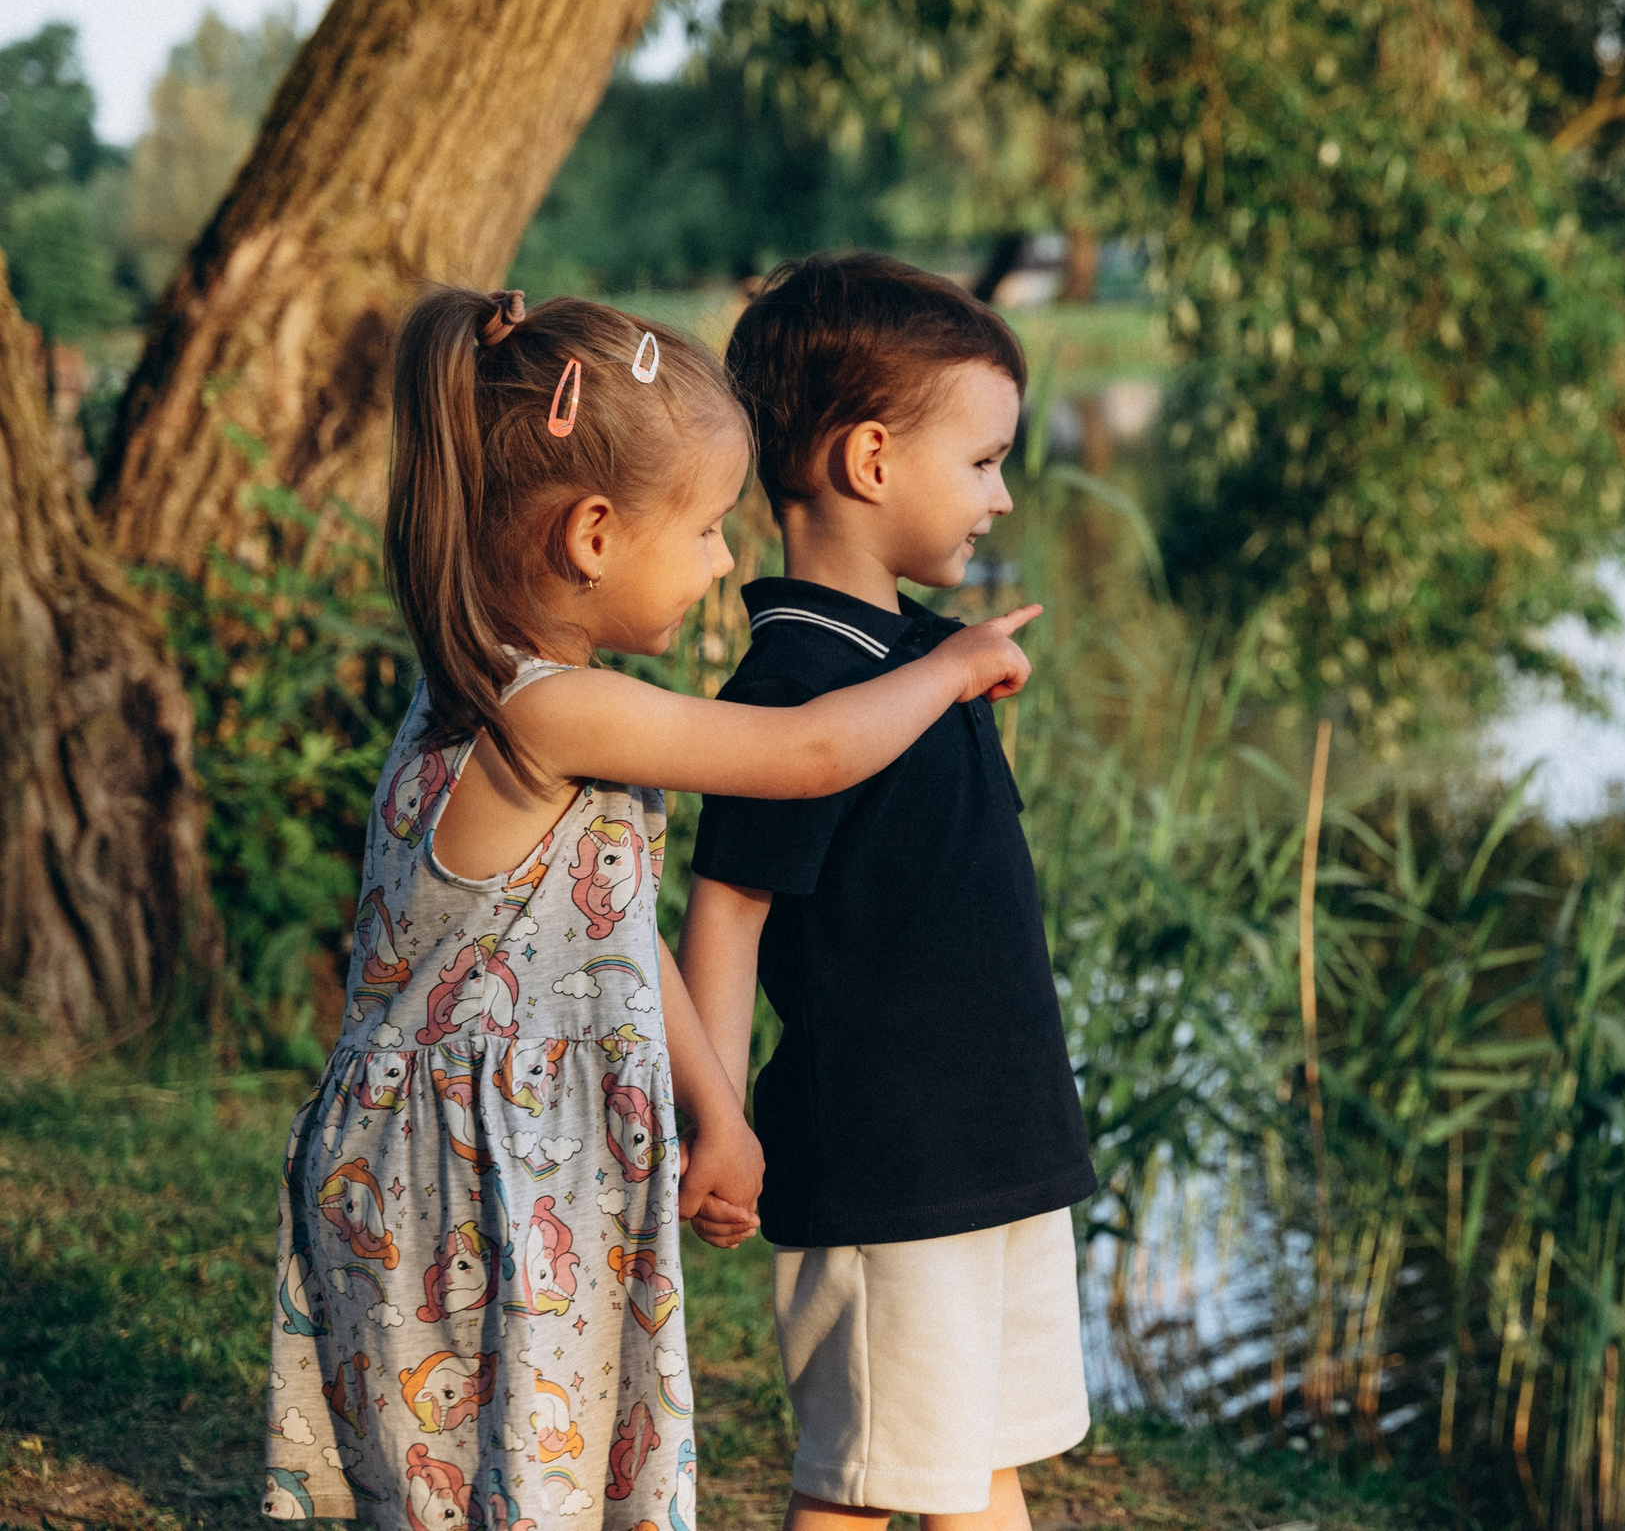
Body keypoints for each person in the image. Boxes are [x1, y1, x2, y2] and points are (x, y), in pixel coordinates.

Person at [261, 286, 1039, 1531]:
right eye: (709, 528)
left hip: (507, 1158)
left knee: (532, 1462)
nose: (728, 560)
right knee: (485, 1472)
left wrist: (716, 1108)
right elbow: (805, 754)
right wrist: (943, 668)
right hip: (461, 1180)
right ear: (593, 534)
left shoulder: (518, 698)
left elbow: (612, 930)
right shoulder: (545, 709)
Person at [676, 254, 1097, 1531]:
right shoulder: (798, 684)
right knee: (863, 1487)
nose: (1001, 494)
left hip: (994, 1149)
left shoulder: (926, 652)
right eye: (982, 462)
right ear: (869, 459)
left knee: (982, 1462)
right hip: (886, 1163)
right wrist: (719, 1119)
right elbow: (729, 906)